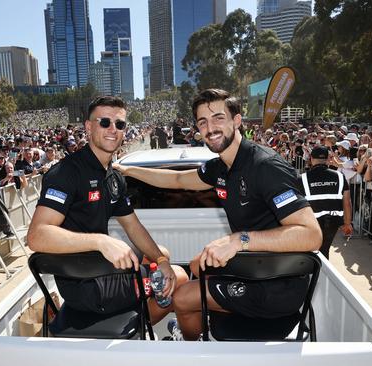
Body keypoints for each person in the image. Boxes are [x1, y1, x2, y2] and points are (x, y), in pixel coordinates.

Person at [114, 89, 321, 340]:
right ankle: (204, 318)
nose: (210, 128)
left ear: (236, 121)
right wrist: (127, 171)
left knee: (182, 298)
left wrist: (239, 240)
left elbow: (311, 235)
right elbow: (178, 179)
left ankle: (193, 345)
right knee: (194, 265)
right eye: (203, 122)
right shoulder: (222, 166)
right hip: (253, 268)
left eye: (218, 118)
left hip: (276, 286)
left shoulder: (266, 166)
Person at [26, 96, 187, 332]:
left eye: (119, 124)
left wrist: (161, 261)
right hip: (86, 286)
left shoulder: (113, 177)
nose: (113, 129)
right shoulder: (66, 172)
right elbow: (36, 236)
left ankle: (137, 312)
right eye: (105, 122)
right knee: (180, 277)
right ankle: (137, 329)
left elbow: (133, 227)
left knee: (162, 254)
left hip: (100, 270)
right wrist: (100, 241)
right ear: (89, 127)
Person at [299, 146, 353, 259]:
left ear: (311, 159)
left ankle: (315, 273)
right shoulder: (340, 176)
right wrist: (347, 223)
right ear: (328, 159)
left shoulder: (302, 178)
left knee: (312, 251)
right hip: (333, 222)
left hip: (312, 222)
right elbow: (347, 202)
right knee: (324, 249)